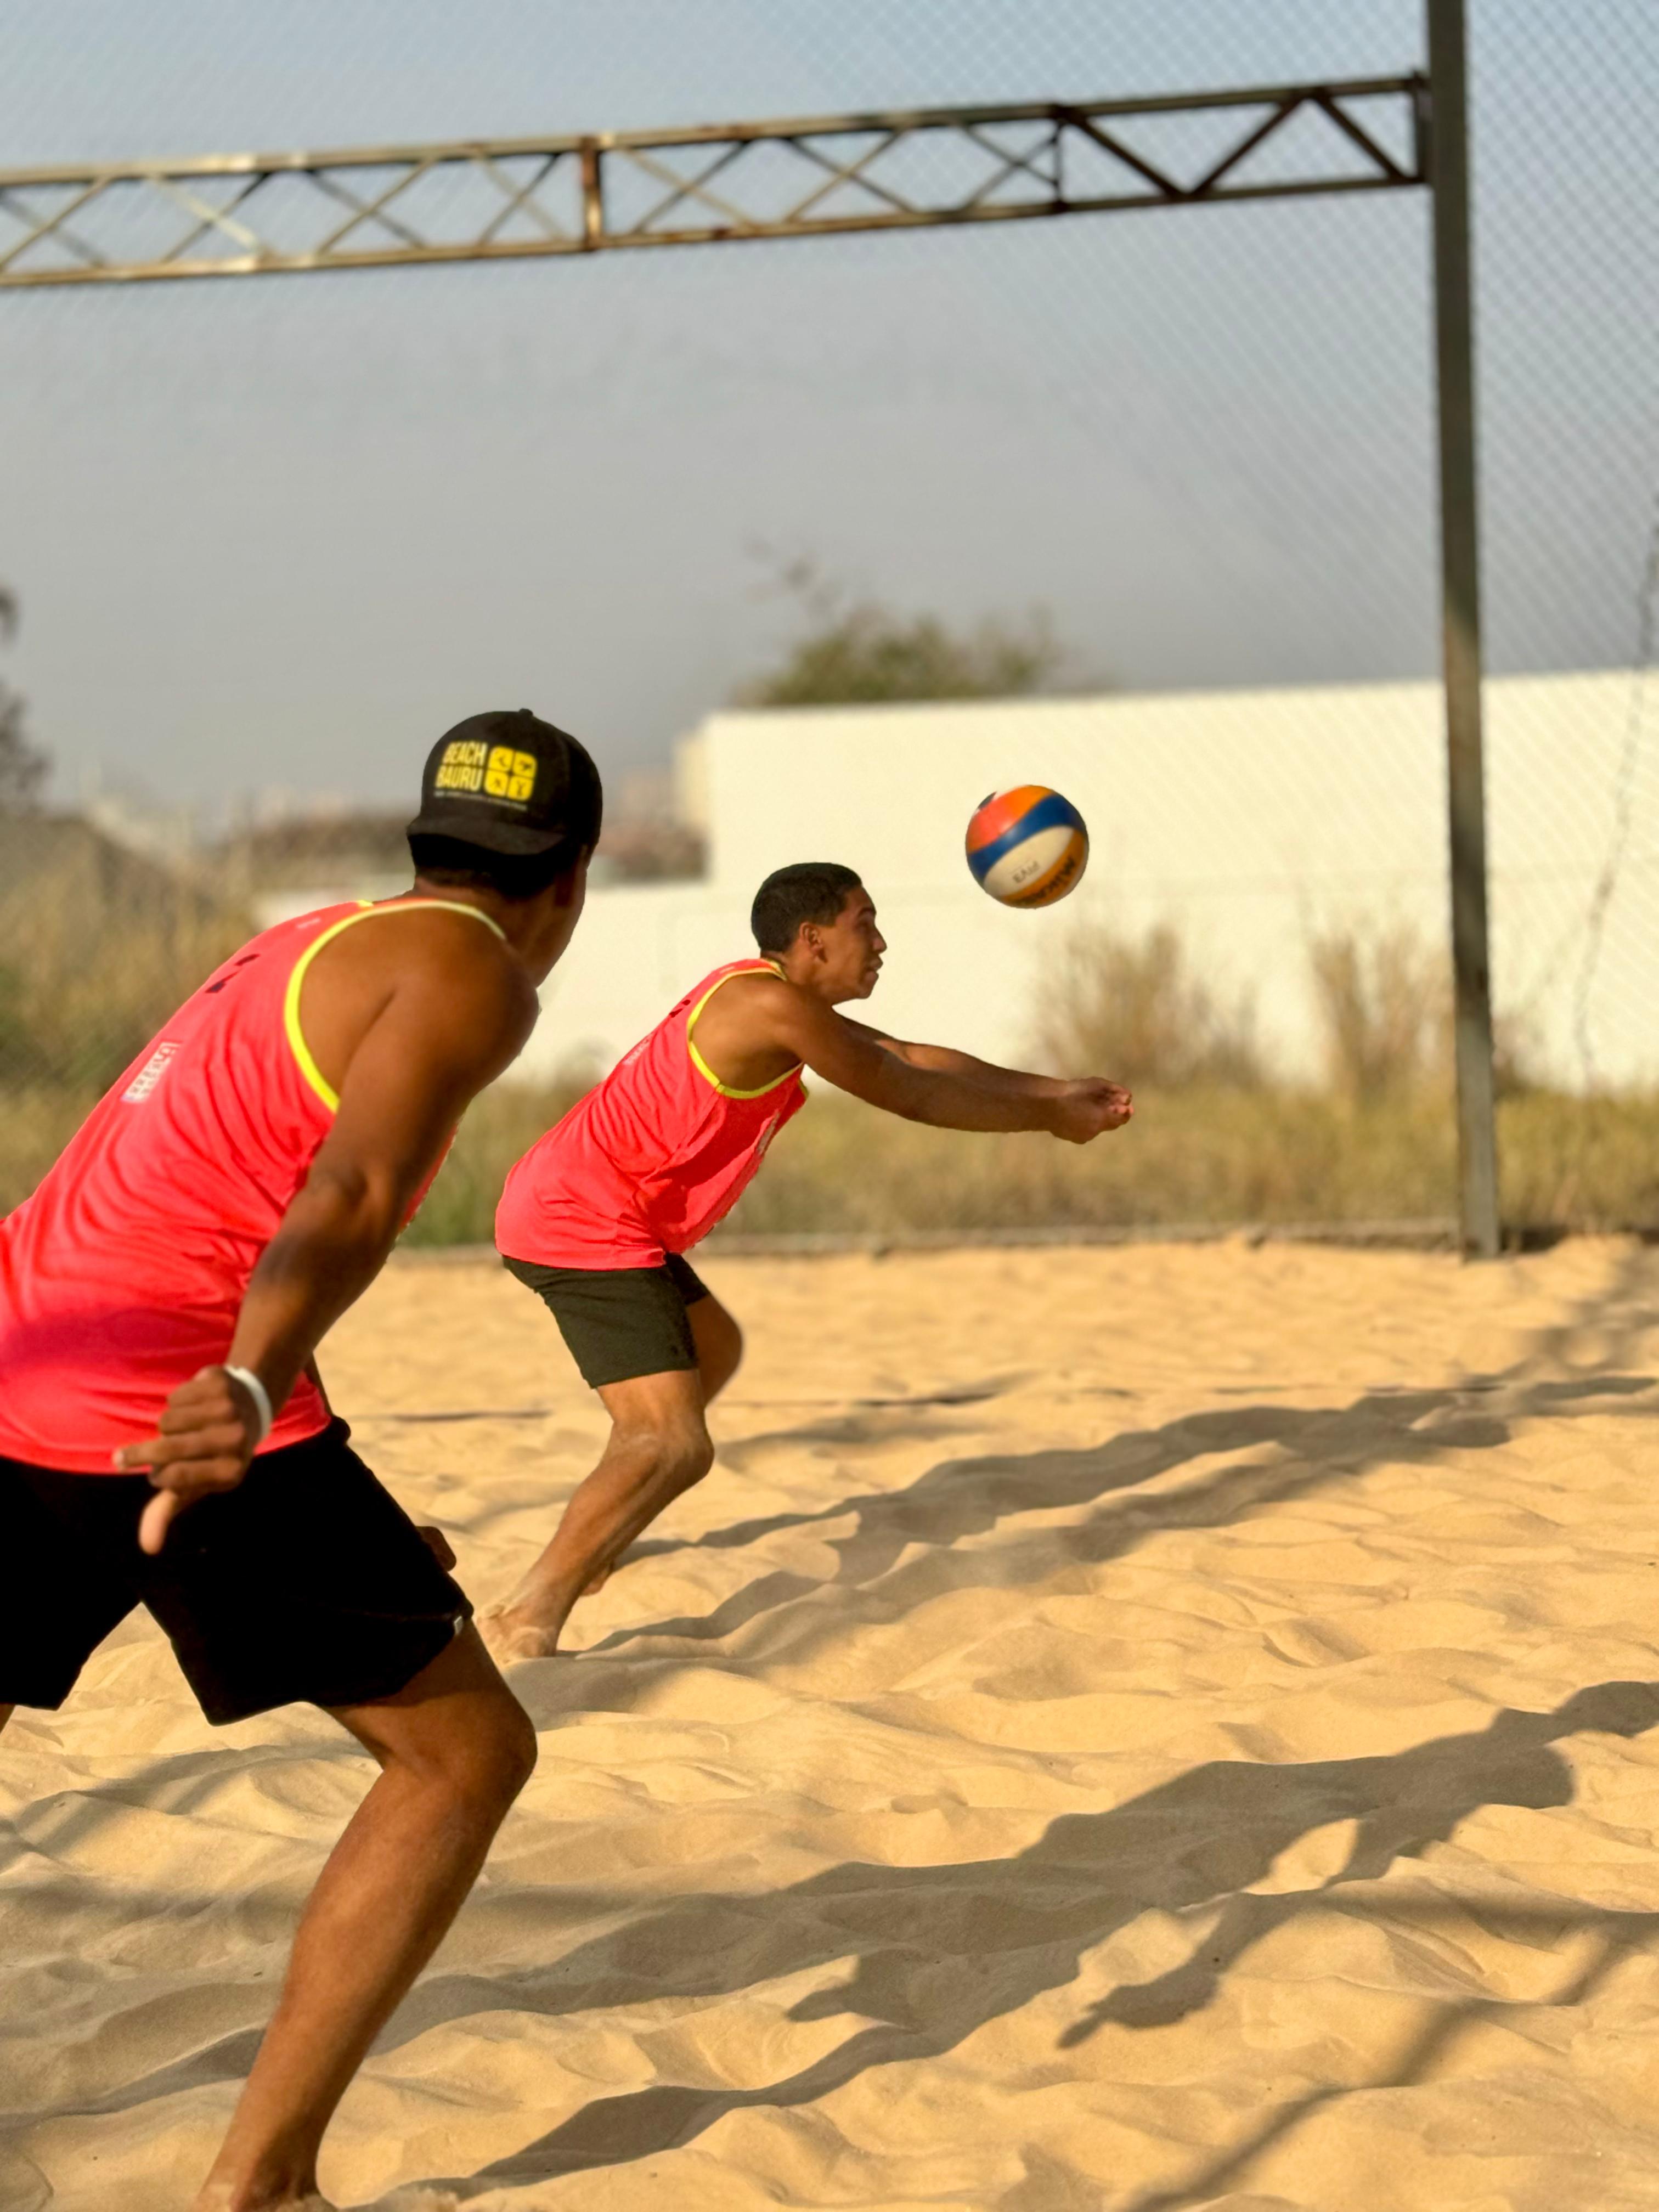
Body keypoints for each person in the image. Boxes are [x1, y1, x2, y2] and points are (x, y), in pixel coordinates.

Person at [0, 707, 601, 2212]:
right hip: (179, 1403)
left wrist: (325, 1450)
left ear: (426, 845)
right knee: (465, 1758)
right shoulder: (482, 971)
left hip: (26, 1347)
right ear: (569, 885)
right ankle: (260, 2178)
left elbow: (197, 1190)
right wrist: (254, 1382)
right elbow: (347, 1193)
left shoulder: (307, 944)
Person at [486, 860, 1132, 1661]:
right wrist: (1045, 1123)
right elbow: (906, 1092)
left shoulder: (777, 997)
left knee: (711, 1352)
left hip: (604, 1210)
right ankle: (530, 1611)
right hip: (577, 1219)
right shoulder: (765, 1005)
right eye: (866, 923)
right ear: (813, 939)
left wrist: (1057, 1093)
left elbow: (907, 1056)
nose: (882, 942)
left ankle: (599, 1537)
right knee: (673, 1444)